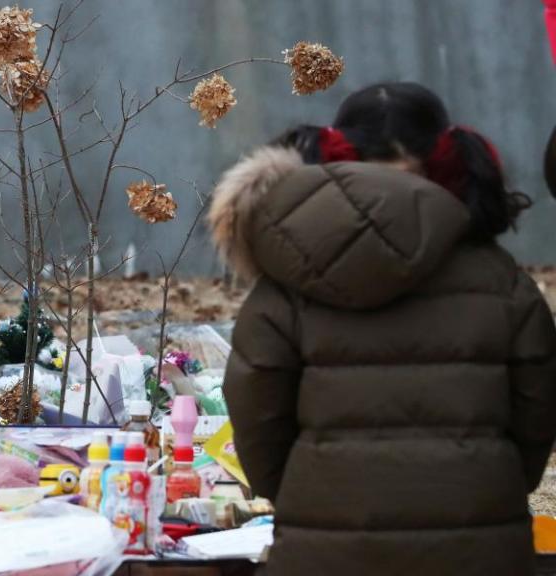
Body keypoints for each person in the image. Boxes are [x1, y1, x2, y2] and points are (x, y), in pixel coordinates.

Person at [209, 82, 556, 576]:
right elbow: (535, 423)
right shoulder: (502, 282)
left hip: (323, 553)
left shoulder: (286, 288)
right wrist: (481, 484)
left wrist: (317, 490)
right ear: (446, 160)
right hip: (478, 552)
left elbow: (258, 424)